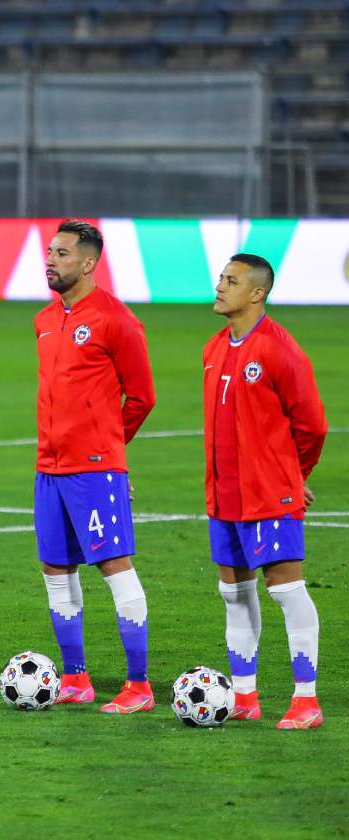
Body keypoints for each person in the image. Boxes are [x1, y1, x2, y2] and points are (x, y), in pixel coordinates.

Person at [32, 219, 158, 714]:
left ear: (87, 262)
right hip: (49, 468)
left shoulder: (115, 319)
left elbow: (142, 397)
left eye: (61, 253)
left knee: (113, 565)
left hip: (94, 469)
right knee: (55, 569)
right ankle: (76, 677)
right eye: (49, 251)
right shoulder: (44, 320)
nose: (50, 260)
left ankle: (139, 685)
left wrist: (109, 452)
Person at [203, 253, 328, 730]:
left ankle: (306, 701)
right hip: (224, 496)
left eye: (231, 281)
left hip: (268, 496)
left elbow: (313, 426)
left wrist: (292, 477)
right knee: (233, 593)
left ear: (257, 293)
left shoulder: (279, 349)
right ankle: (244, 695)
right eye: (220, 279)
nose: (220, 287)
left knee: (287, 591)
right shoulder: (214, 348)